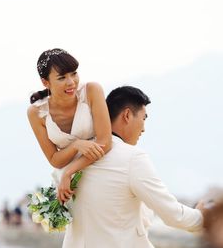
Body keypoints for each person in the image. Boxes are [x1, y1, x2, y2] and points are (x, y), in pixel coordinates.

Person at [61, 86, 205, 247]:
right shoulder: (132, 158)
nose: (143, 128)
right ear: (127, 115)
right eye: (144, 119)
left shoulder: (75, 157)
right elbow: (172, 214)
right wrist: (204, 217)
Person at [27, 48, 112, 201]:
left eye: (74, 73)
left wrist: (69, 172)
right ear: (45, 82)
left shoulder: (92, 90)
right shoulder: (36, 113)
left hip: (104, 166)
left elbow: (105, 142)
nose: (71, 82)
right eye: (62, 77)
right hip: (71, 185)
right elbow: (54, 159)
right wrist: (76, 145)